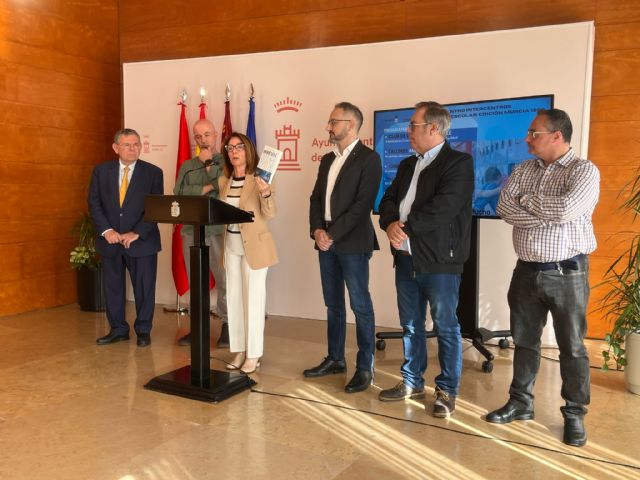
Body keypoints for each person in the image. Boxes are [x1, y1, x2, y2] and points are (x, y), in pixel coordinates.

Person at [486, 109, 600, 447]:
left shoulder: (584, 170)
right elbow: (504, 207)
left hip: (567, 273)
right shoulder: (524, 169)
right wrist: (540, 209)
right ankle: (521, 403)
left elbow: (566, 210)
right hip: (526, 270)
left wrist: (526, 202)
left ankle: (574, 413)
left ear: (557, 135)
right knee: (524, 341)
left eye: (534, 133)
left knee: (572, 347)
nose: (527, 138)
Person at [377, 101, 473, 418]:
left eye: (413, 125)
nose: (408, 131)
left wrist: (404, 228)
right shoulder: (408, 164)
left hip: (440, 261)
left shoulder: (458, 163)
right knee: (410, 325)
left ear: (433, 128)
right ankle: (411, 382)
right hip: (406, 257)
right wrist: (389, 224)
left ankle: (446, 391)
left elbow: (444, 208)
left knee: (445, 326)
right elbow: (388, 199)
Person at [303, 102, 382, 393]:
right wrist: (317, 231)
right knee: (333, 303)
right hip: (326, 240)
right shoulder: (327, 159)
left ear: (350, 124)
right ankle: (335, 358)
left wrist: (331, 234)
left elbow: (362, 206)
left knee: (360, 305)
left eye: (333, 121)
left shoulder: (369, 159)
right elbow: (315, 199)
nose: (328, 126)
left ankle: (365, 367)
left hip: (352, 241)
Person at [89, 128, 163, 347]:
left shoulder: (153, 172)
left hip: (142, 241)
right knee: (113, 287)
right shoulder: (101, 171)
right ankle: (118, 329)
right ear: (116, 148)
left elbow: (156, 208)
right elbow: (94, 202)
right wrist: (107, 231)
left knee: (144, 288)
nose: (133, 149)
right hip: (110, 241)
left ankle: (143, 331)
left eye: (136, 144)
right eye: (127, 145)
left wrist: (136, 232)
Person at [218, 132, 278, 374]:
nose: (234, 152)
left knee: (253, 301)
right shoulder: (224, 181)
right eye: (230, 148)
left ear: (248, 151)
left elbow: (270, 213)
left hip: (255, 248)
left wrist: (265, 193)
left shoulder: (260, 179)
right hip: (231, 246)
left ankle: (254, 355)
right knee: (234, 300)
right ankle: (240, 350)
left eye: (239, 147)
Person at [173, 118, 229, 348]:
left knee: (224, 278)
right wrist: (207, 187)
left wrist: (208, 167)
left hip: (218, 230)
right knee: (196, 280)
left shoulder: (227, 162)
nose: (203, 140)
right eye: (198, 136)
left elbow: (225, 188)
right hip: (191, 230)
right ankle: (197, 327)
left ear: (215, 135)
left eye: (207, 134)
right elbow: (179, 193)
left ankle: (227, 325)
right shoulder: (187, 166)